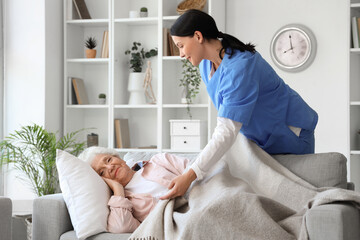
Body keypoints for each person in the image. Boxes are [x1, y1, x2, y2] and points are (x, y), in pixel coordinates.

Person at [159, 9, 318, 200]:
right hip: (260, 138)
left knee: (292, 198)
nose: (181, 54)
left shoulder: (240, 67)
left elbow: (227, 129)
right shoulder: (205, 65)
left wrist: (189, 175)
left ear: (198, 36)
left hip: (291, 132)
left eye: (181, 46)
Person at [78, 146, 190, 233]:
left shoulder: (159, 161)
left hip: (198, 198)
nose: (110, 167)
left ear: (118, 157)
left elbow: (196, 171)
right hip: (179, 223)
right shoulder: (125, 201)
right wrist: (118, 190)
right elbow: (120, 227)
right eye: (102, 172)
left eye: (108, 160)